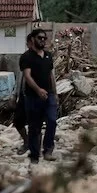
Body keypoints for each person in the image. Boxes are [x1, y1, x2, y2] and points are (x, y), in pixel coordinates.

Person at [19, 28, 57, 164]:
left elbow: (50, 75)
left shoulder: (48, 56)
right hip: (33, 97)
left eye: (44, 38)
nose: (42, 40)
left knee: (52, 121)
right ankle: (34, 156)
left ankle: (48, 150)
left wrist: (54, 92)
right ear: (33, 39)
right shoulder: (26, 57)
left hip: (49, 95)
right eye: (40, 38)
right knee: (35, 126)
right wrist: (38, 90)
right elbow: (27, 76)